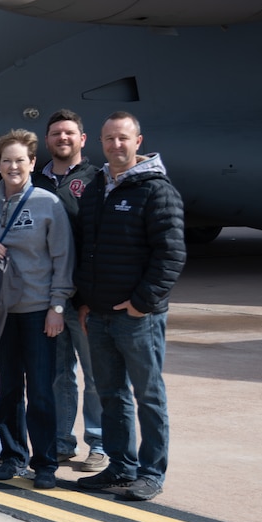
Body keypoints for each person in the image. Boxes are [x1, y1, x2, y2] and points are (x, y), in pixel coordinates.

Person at [74, 113, 186, 502]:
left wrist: (142, 303)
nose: (116, 145)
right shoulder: (95, 189)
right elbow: (86, 250)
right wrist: (84, 301)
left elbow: (171, 255)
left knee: (148, 395)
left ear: (139, 141)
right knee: (111, 394)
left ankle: (151, 472)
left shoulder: (157, 191)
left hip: (138, 318)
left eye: (123, 138)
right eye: (109, 139)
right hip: (100, 315)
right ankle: (121, 467)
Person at [0, 130, 75, 489]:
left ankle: (45, 463)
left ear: (31, 163)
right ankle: (13, 457)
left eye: (20, 160)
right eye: (6, 160)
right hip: (0, 312)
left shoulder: (48, 203)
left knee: (40, 389)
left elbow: (63, 258)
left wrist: (57, 306)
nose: (13, 166)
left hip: (39, 310)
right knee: (9, 387)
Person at [33, 110, 107, 473]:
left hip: (84, 298)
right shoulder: (35, 182)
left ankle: (99, 443)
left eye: (69, 133)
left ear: (83, 139)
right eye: (55, 134)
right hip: (48, 297)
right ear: (46, 141)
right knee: (59, 374)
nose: (63, 139)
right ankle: (62, 442)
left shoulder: (97, 180)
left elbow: (102, 240)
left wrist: (93, 297)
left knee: (95, 374)